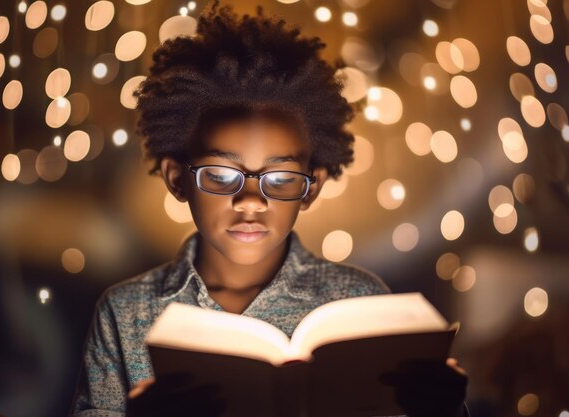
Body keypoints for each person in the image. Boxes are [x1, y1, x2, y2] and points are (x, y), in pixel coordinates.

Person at [70, 1, 469, 416]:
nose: (250, 202)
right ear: (177, 179)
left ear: (311, 188)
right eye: (222, 176)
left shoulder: (360, 301)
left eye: (279, 180)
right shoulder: (125, 313)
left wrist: (443, 412)